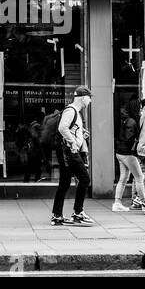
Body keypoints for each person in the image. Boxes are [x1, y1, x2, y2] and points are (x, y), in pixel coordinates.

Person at [51, 86, 95, 226]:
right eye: (89, 98)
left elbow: (70, 129)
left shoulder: (75, 112)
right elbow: (62, 128)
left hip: (67, 152)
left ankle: (57, 215)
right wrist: (73, 142)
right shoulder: (71, 111)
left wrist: (81, 135)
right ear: (83, 98)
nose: (90, 101)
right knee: (85, 179)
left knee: (64, 183)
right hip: (70, 152)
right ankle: (78, 213)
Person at [113, 98, 145, 212]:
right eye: (140, 108)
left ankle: (117, 202)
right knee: (139, 177)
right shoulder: (132, 121)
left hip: (121, 152)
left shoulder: (127, 120)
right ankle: (144, 202)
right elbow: (129, 138)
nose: (141, 110)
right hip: (128, 154)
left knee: (123, 179)